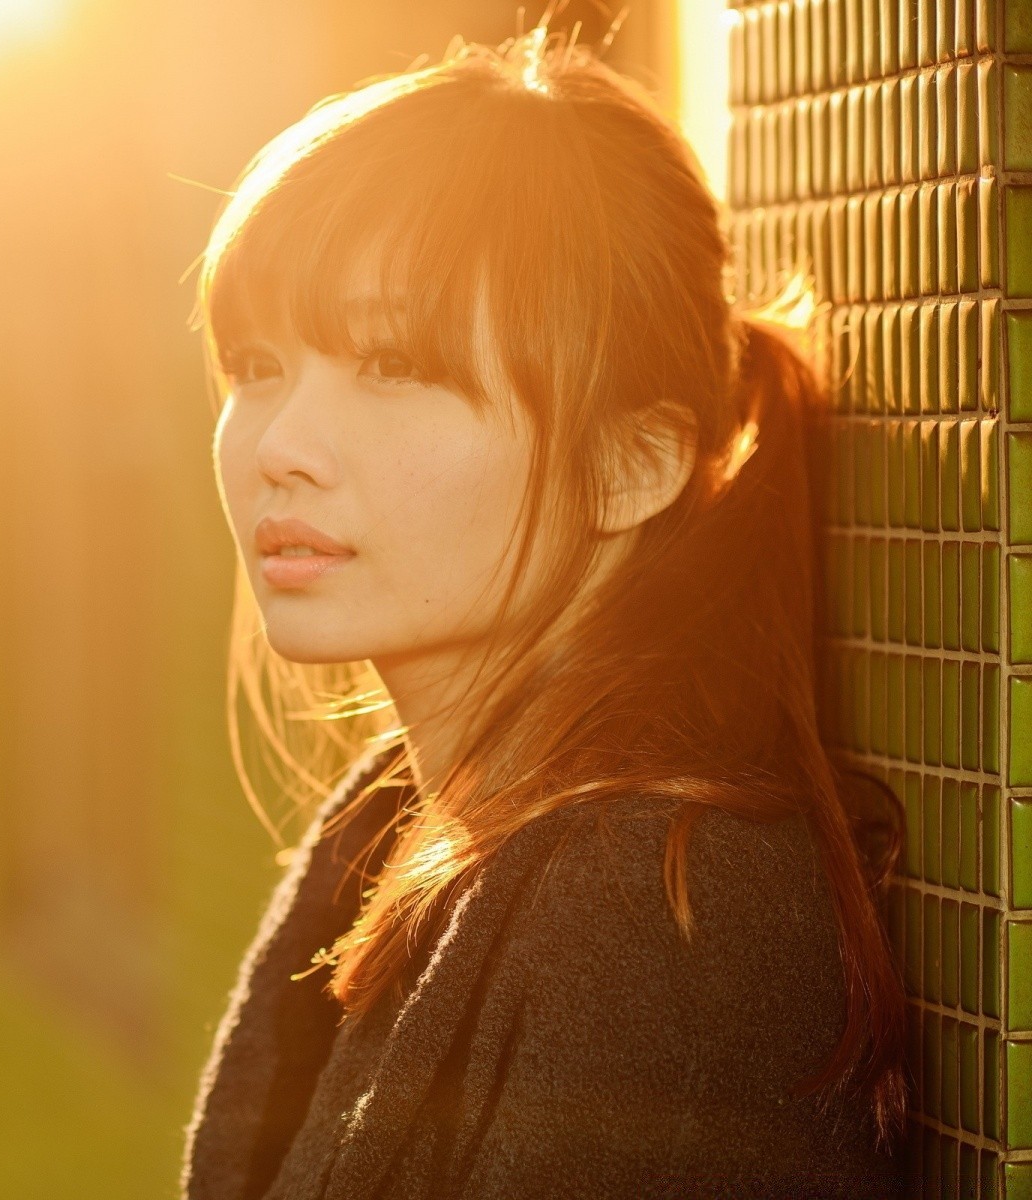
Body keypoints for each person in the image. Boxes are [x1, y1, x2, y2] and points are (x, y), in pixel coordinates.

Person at [179, 33, 908, 1200]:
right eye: (258, 365)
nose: (279, 447)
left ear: (631, 463)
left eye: (393, 363)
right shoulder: (403, 821)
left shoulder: (661, 910)